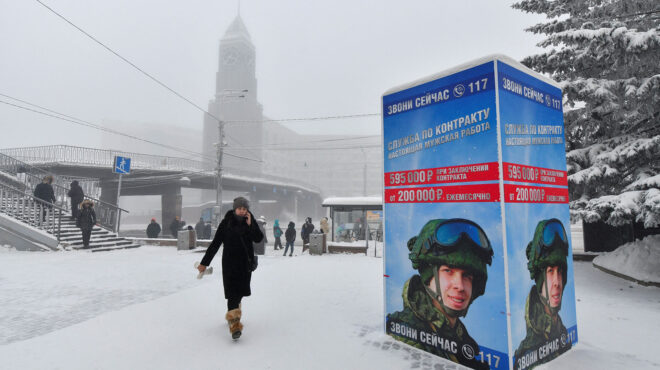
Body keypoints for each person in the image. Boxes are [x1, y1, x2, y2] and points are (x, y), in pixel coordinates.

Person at [386, 219, 493, 370]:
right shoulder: (403, 332)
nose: (460, 286)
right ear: (429, 277)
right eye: (448, 271)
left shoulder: (463, 342)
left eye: (467, 276)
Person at [197, 197, 263, 340]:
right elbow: (215, 244)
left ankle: (234, 313)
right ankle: (235, 326)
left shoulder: (249, 222)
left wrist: (251, 225)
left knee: (239, 294)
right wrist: (204, 263)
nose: (242, 211)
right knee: (233, 294)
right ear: (234, 209)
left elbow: (258, 239)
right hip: (230, 265)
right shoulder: (226, 223)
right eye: (239, 208)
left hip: (245, 265)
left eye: (244, 209)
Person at [514, 219, 571, 369]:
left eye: (560, 272)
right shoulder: (527, 354)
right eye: (550, 272)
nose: (557, 282)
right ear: (539, 282)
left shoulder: (562, 333)